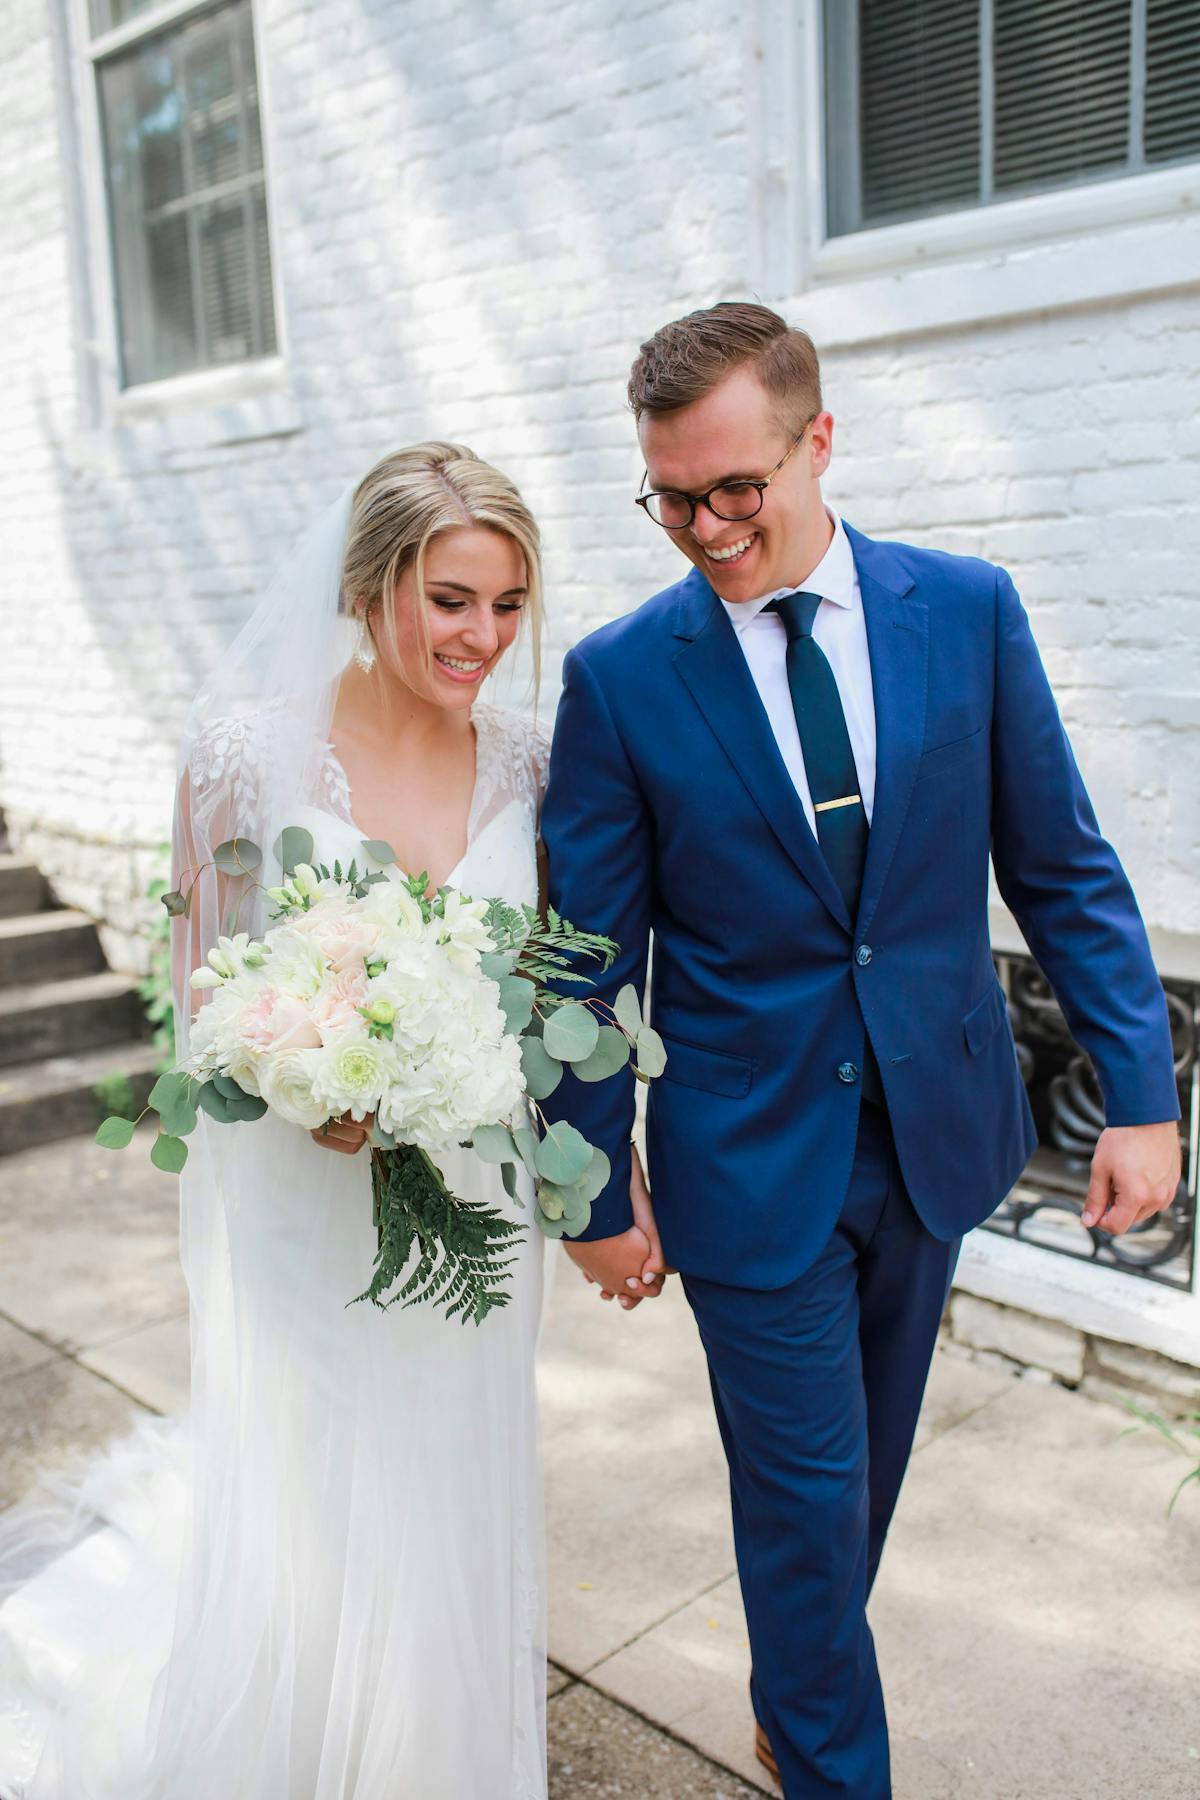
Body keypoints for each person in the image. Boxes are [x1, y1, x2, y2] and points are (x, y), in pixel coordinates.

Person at [541, 303, 1182, 1798]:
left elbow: (1065, 870)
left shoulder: (965, 610)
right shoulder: (623, 677)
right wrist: (588, 1185)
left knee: (848, 1496)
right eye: (669, 498)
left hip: (939, 1131)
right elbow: (584, 958)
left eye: (733, 490)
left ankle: (796, 1673)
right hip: (746, 1161)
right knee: (806, 1499)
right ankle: (834, 1758)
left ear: (818, 440)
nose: (701, 529)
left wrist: (1142, 1098)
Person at [0, 444, 558, 1799]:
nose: (480, 637)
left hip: (475, 1193)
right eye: (449, 600)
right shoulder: (246, 752)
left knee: (450, 1477)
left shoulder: (535, 756)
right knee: (320, 1475)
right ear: (370, 590)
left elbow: (547, 975)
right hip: (304, 1197)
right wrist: (302, 1074)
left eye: (505, 604)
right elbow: (197, 975)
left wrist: (464, 1064)